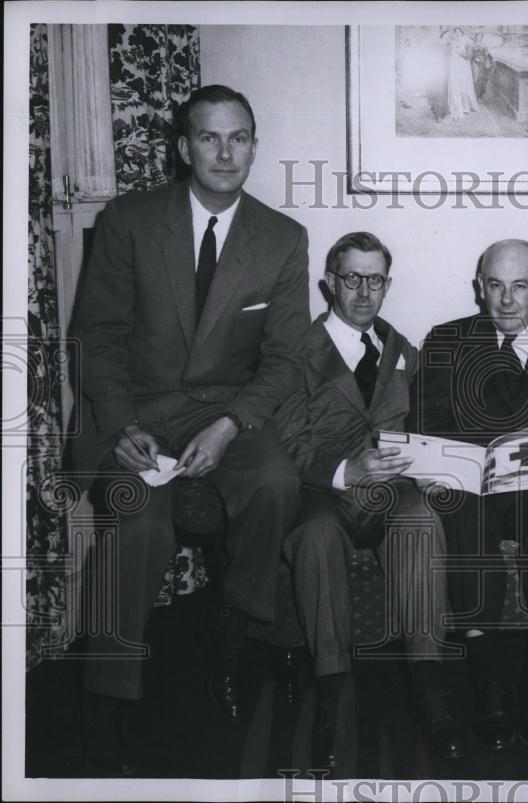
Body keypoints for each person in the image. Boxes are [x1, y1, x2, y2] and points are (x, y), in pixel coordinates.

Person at [71, 84, 309, 773]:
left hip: (226, 410)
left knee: (275, 478)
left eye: (239, 138)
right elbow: (97, 336)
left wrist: (233, 424)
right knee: (139, 522)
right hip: (137, 411)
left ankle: (232, 630)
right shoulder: (130, 220)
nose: (226, 152)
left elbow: (287, 358)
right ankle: (103, 694)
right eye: (209, 137)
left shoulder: (283, 237)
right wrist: (119, 424)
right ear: (183, 147)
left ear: (255, 147)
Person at [273, 232, 465, 770]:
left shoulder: (403, 349)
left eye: (374, 279)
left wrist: (434, 468)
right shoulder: (295, 351)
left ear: (387, 285)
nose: (363, 291)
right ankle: (333, 699)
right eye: (352, 278)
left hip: (391, 493)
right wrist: (344, 471)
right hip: (320, 493)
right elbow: (284, 443)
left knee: (421, 520)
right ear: (329, 282)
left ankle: (430, 692)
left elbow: (426, 425)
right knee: (313, 537)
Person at [408, 239, 528, 752]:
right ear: (479, 288)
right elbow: (425, 423)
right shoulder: (447, 340)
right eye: (496, 286)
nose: (507, 300)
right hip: (474, 492)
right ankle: (490, 682)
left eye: (520, 286)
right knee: (457, 504)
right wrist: (436, 468)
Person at [445, 27, 478, 122]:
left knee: (464, 85)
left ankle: (466, 107)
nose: (457, 33)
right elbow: (449, 54)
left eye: (459, 32)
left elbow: (469, 56)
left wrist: (461, 53)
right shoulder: (453, 42)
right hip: (454, 66)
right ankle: (456, 107)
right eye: (456, 32)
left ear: (462, 33)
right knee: (455, 85)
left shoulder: (467, 42)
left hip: (463, 66)